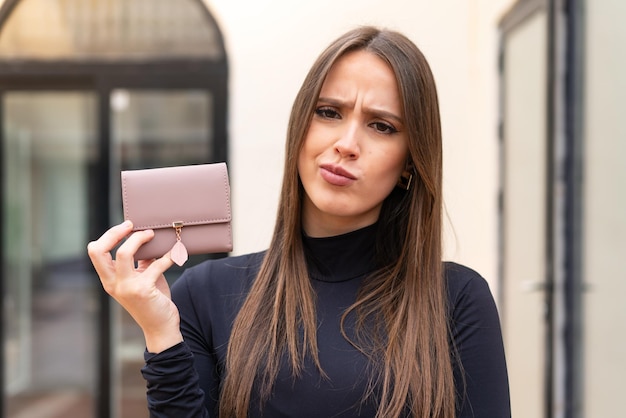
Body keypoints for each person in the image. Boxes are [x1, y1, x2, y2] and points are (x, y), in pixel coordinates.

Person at [88, 26, 511, 418]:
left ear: (409, 163)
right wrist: (159, 331)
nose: (346, 144)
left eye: (381, 126)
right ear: (300, 129)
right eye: (329, 112)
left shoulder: (457, 301)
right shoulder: (204, 295)